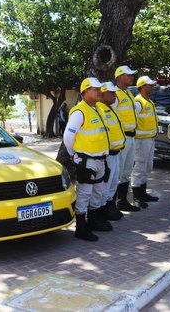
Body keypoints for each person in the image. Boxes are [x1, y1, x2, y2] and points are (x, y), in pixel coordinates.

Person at [63, 77, 111, 242]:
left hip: (99, 159)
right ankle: (81, 227)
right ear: (85, 91)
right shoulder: (80, 111)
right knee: (84, 194)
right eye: (95, 89)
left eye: (100, 88)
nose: (99, 91)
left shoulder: (97, 108)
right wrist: (73, 155)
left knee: (97, 192)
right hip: (86, 160)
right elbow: (68, 137)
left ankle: (93, 221)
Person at [114, 65, 146, 211]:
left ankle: (122, 201)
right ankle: (112, 204)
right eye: (129, 75)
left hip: (131, 137)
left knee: (127, 171)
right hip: (122, 138)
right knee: (118, 171)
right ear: (120, 76)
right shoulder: (116, 95)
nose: (132, 77)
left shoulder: (128, 94)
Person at [96, 81, 126, 221]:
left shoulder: (111, 108)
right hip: (107, 155)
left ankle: (110, 207)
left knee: (114, 182)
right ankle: (102, 212)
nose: (115, 95)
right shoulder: (99, 109)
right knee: (105, 185)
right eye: (111, 93)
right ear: (102, 93)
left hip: (116, 153)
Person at [131, 76, 159, 204]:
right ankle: (137, 197)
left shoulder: (149, 102)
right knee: (139, 167)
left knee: (147, 167)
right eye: (150, 85)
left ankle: (143, 193)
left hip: (149, 140)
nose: (153, 87)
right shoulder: (138, 102)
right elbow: (131, 120)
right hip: (140, 141)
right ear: (142, 86)